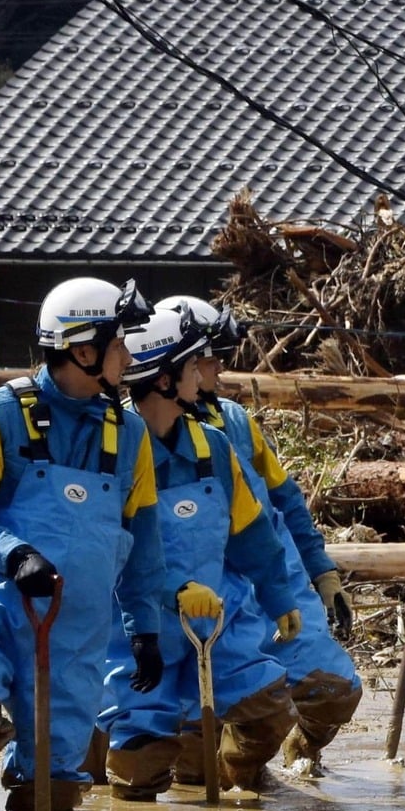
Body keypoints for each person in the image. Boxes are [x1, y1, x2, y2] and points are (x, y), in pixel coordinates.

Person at [0, 278, 169, 811]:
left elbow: (144, 545)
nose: (128, 357)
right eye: (119, 345)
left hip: (70, 627)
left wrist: (144, 629)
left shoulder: (130, 437)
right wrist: (13, 554)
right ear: (83, 350)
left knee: (52, 804)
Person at [95, 309, 309, 799]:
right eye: (193, 367)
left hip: (216, 627)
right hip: (138, 636)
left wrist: (280, 595)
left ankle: (230, 780)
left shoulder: (212, 446)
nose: (203, 376)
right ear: (164, 378)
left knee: (269, 708)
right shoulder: (116, 448)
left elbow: (251, 529)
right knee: (140, 765)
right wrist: (173, 594)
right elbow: (110, 549)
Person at [159, 295, 363, 773]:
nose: (217, 370)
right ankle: (225, 789)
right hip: (206, 598)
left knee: (335, 691)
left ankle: (258, 768)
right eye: (207, 360)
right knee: (190, 744)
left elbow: (287, 501)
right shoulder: (138, 432)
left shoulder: (234, 423)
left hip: (275, 586)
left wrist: (322, 573)